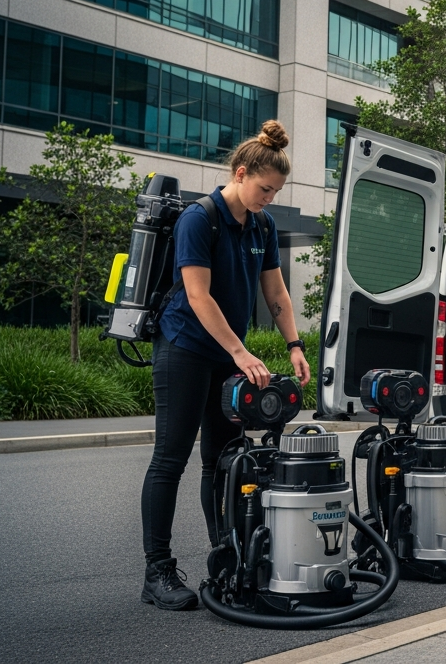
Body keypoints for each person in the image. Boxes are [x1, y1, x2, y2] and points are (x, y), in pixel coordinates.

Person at [139, 121, 312, 611]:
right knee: (171, 458)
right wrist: (240, 352)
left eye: (276, 192)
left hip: (226, 353)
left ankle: (227, 554)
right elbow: (197, 296)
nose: (269, 199)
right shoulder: (201, 218)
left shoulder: (262, 224)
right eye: (264, 189)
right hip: (185, 346)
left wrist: (295, 345)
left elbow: (275, 293)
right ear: (240, 174)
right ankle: (157, 572)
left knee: (222, 459)